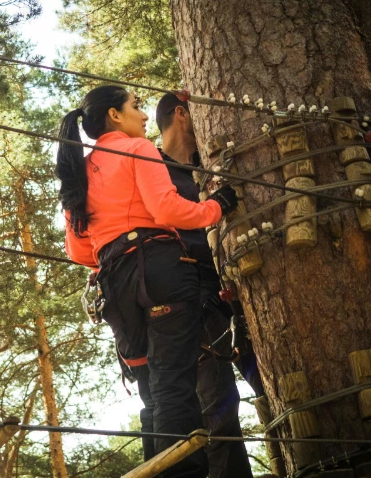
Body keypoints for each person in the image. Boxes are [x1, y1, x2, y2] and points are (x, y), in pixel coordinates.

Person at [57, 85, 238, 478]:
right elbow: (166, 208)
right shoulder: (136, 149)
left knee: (151, 390)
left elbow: (78, 250)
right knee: (174, 383)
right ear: (114, 116)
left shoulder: (78, 170)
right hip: (161, 270)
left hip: (114, 284)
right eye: (135, 107)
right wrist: (216, 207)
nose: (142, 116)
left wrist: (114, 248)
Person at [157, 92, 264, 478]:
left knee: (271, 384)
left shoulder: (211, 164)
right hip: (194, 295)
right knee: (218, 404)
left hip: (242, 287)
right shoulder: (153, 169)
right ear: (183, 114)